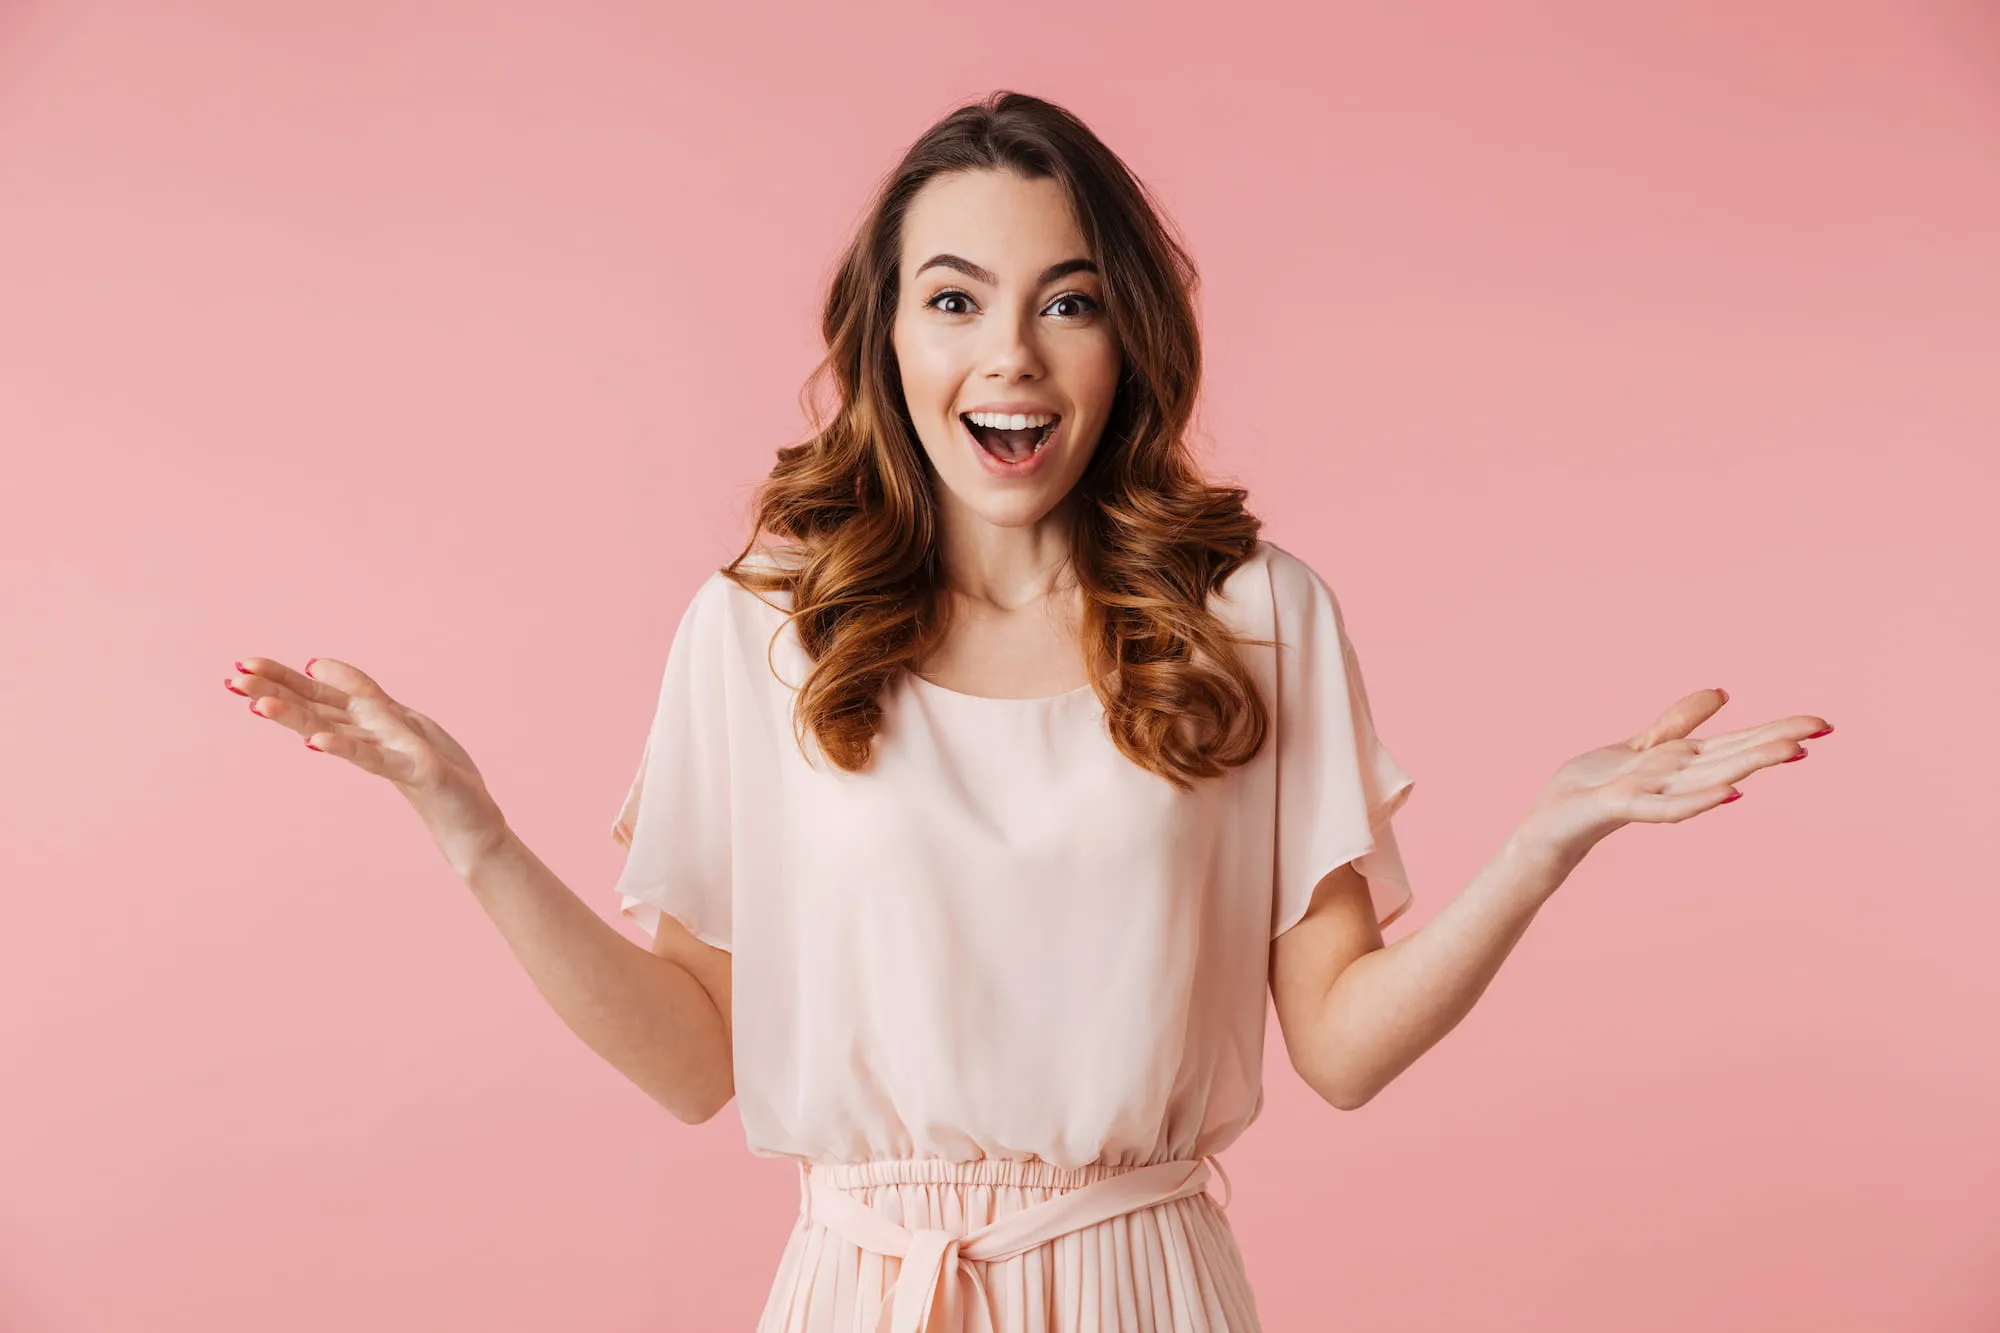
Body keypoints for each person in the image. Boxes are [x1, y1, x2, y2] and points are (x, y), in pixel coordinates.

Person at [223, 90, 1832, 1333]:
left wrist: (1543, 846)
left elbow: (1338, 1047)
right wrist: (475, 832)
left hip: (1146, 1279)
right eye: (954, 299)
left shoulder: (1252, 618)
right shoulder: (757, 637)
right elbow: (693, 1060)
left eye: (1066, 301)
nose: (1012, 355)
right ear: (884, 334)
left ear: (1128, 336)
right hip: (862, 1293)